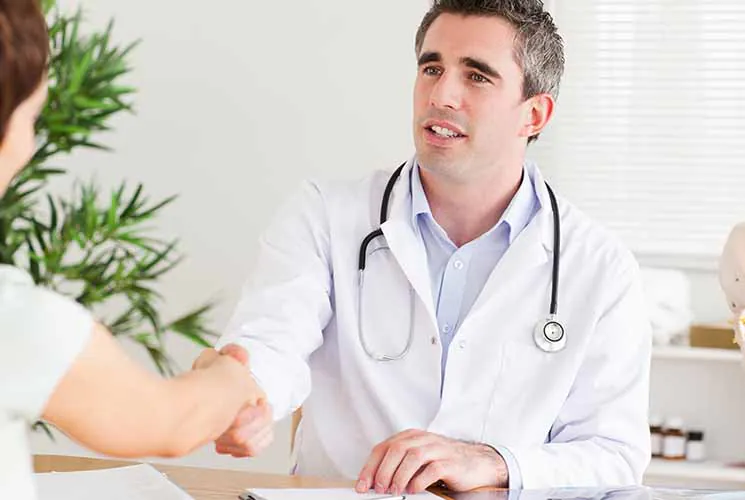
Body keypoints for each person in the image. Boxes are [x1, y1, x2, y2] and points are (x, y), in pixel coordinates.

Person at [208, 0, 652, 494]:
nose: (442, 94)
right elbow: (271, 342)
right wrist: (245, 396)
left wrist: (495, 463)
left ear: (534, 113)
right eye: (432, 68)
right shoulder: (325, 215)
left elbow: (614, 451)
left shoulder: (599, 266)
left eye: (477, 77)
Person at [0, 1, 264, 498]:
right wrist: (227, 374)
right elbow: (170, 422)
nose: (31, 144)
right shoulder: (14, 318)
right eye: (31, 117)